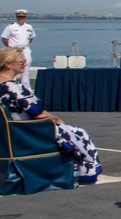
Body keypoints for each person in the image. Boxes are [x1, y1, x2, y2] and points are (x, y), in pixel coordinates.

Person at [0, 47, 102, 183]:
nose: (25, 63)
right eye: (21, 61)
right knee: (78, 133)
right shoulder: (14, 88)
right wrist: (57, 119)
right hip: (28, 131)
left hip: (8, 132)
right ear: (8, 64)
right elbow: (38, 114)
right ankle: (86, 173)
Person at [2, 10, 34, 88]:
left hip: (25, 50)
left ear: (25, 17)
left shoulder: (29, 27)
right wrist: (11, 49)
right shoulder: (10, 27)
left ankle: (26, 88)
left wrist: (23, 45)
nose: (21, 18)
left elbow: (31, 38)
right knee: (12, 69)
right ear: (16, 17)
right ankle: (12, 87)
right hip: (14, 50)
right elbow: (4, 39)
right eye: (19, 17)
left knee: (25, 70)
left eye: (23, 17)